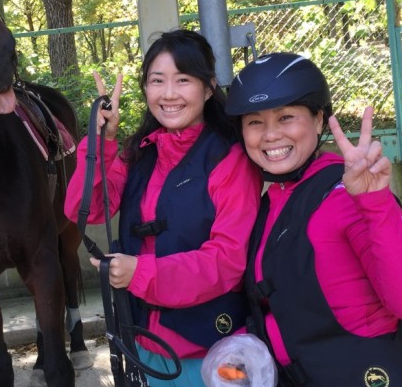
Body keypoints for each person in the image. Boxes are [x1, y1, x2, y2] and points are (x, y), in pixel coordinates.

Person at [225, 52, 402, 386]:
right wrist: (242, 349)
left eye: (286, 117)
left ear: (318, 120)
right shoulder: (274, 201)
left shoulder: (344, 194)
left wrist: (376, 204)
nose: (269, 134)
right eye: (255, 122)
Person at [64, 29, 262, 386]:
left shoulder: (230, 159)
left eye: (183, 79)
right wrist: (101, 141)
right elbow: (86, 209)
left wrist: (140, 273)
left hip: (208, 349)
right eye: (157, 81)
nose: (169, 94)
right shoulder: (141, 150)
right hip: (141, 338)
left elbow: (228, 259)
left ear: (208, 87)